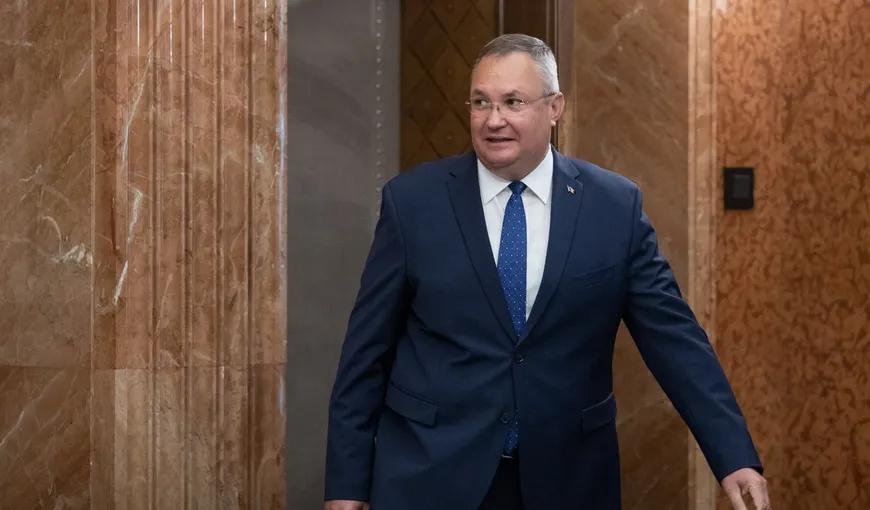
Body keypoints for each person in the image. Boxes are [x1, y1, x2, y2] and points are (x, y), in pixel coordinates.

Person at [324, 34, 770, 510]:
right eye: (481, 102)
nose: (493, 119)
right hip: (432, 475)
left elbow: (674, 340)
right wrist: (347, 486)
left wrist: (732, 455)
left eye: (512, 102)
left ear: (555, 107)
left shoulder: (613, 207)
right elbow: (366, 352)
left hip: (568, 478)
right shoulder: (412, 203)